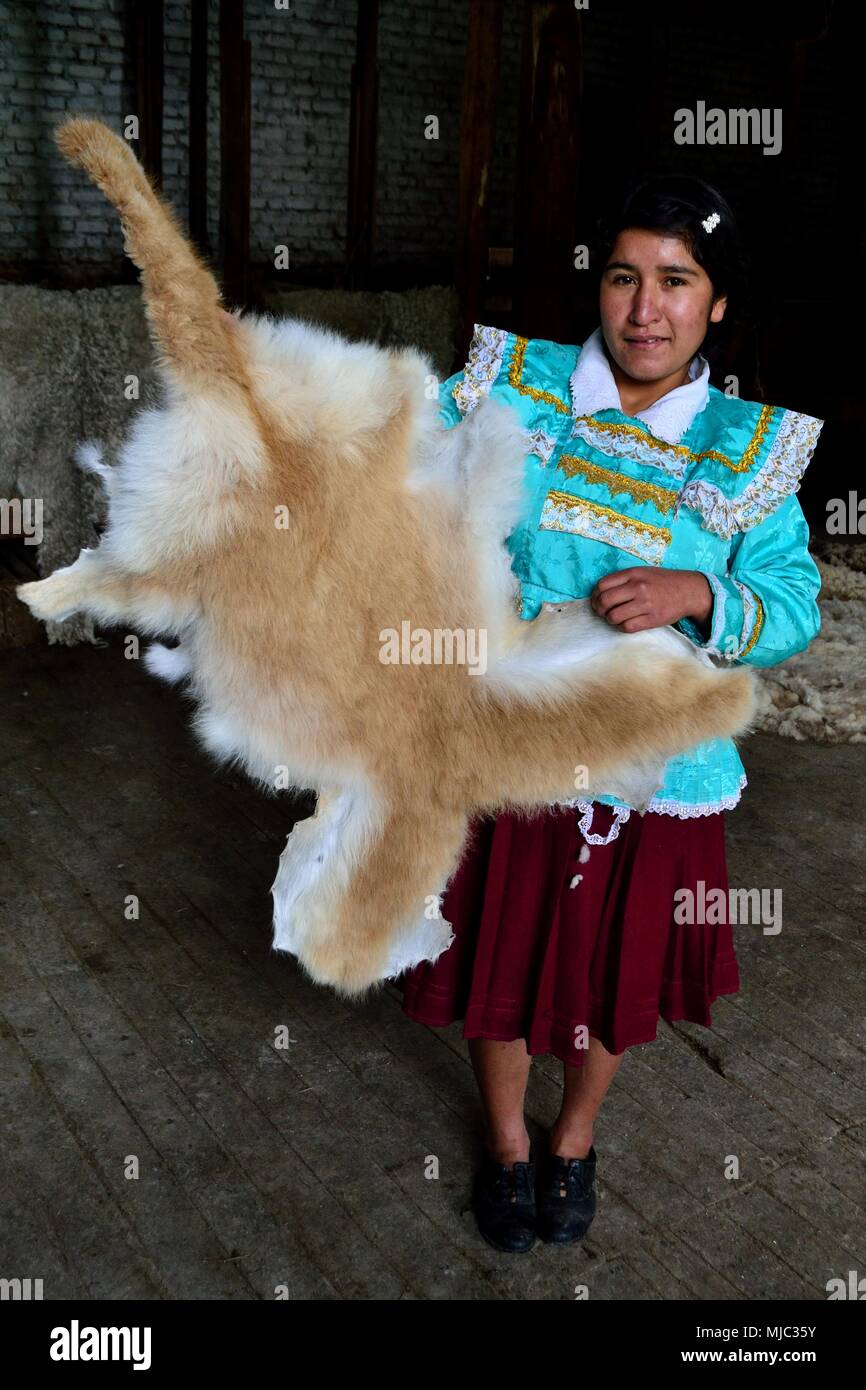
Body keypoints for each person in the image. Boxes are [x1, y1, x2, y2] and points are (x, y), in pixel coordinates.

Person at [395, 175, 824, 1253]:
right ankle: (502, 1140)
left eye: (676, 282)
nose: (645, 307)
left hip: (657, 773)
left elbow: (791, 602)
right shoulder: (513, 391)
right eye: (624, 277)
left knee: (615, 967)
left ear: (715, 305)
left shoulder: (746, 448)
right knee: (497, 951)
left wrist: (699, 594)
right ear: (599, 287)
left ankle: (573, 1137)